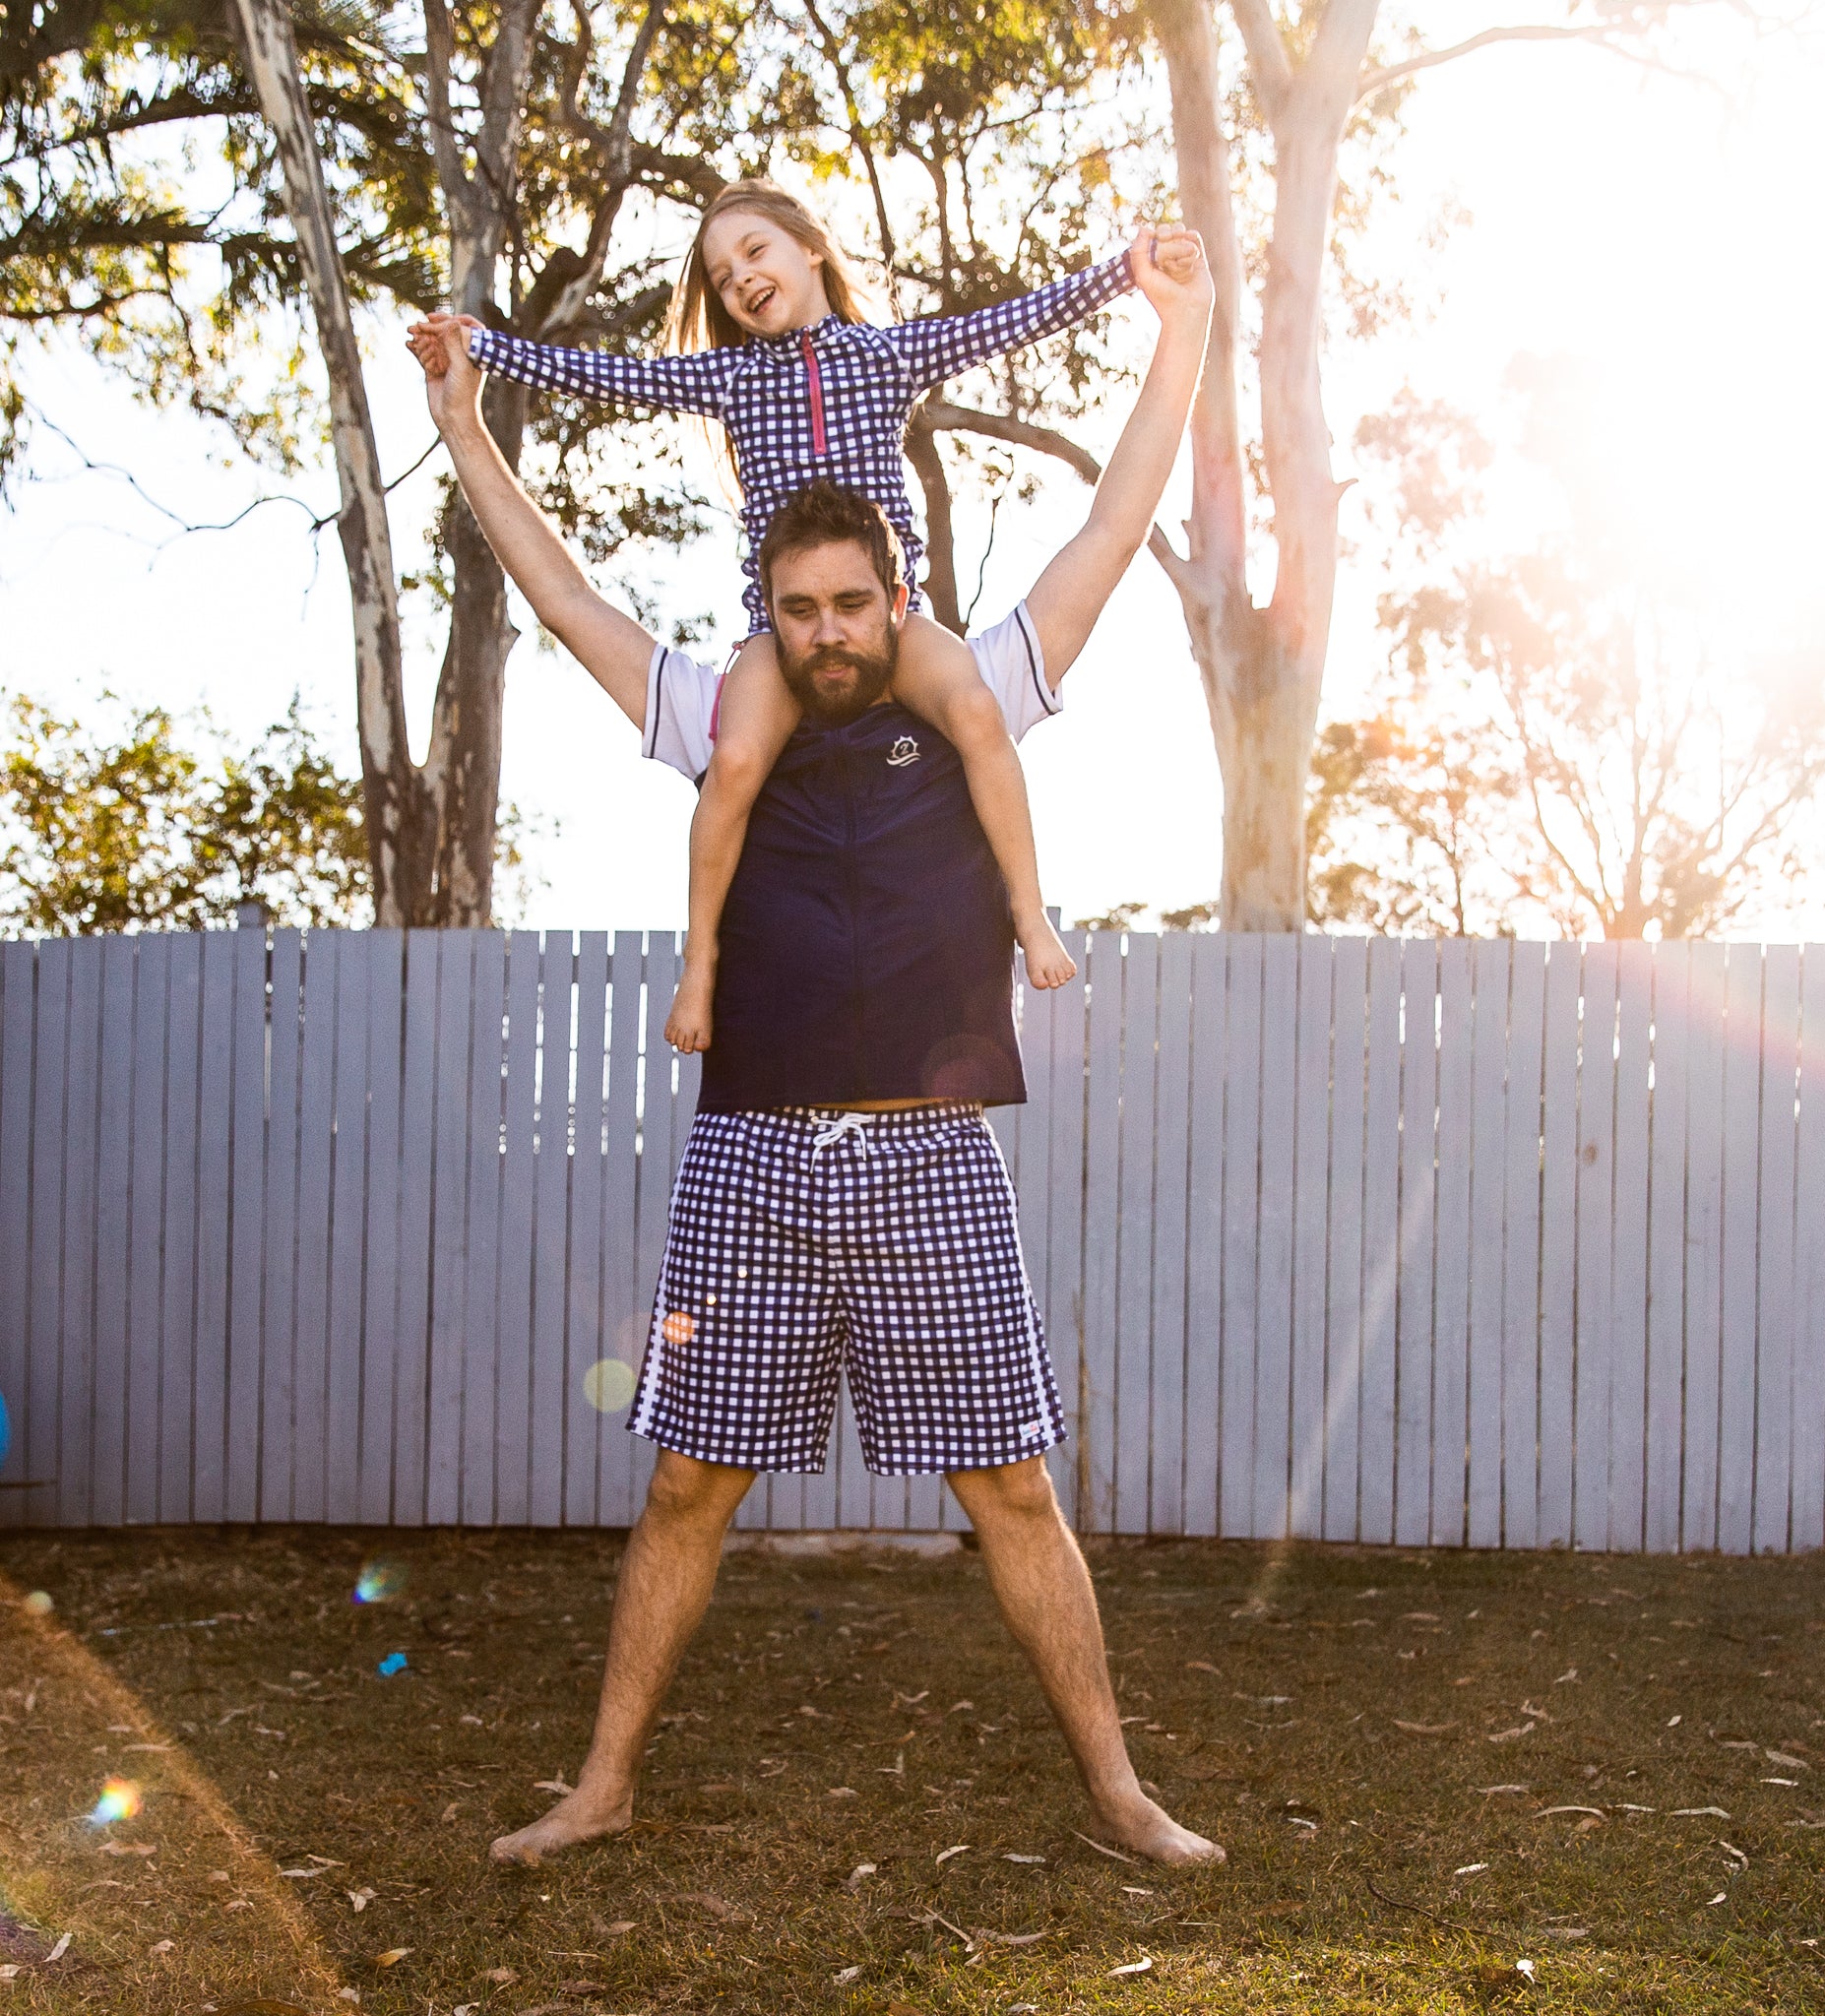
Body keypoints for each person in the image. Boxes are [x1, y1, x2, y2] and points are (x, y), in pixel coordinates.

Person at [414, 232, 1222, 1869]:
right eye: (797, 611)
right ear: (765, 612)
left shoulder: (976, 683)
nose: (827, 633)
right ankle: (603, 1783)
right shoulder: (724, 712)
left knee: (1011, 1493)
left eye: (853, 604)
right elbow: (563, 589)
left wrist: (1183, 327)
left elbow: (1116, 519)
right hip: (755, 1161)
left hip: (930, 1161)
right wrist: (462, 421)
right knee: (684, 1492)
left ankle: (1119, 1790)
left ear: (897, 596)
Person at [409, 181, 1199, 1058]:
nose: (740, 278)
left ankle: (1028, 913)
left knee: (977, 712)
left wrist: (1130, 276)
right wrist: (486, 356)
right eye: (720, 274)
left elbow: (1011, 323)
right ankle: (700, 961)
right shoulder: (732, 379)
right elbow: (615, 380)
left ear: (810, 248)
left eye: (755, 252)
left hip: (905, 627)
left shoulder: (887, 354)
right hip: (766, 641)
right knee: (736, 758)